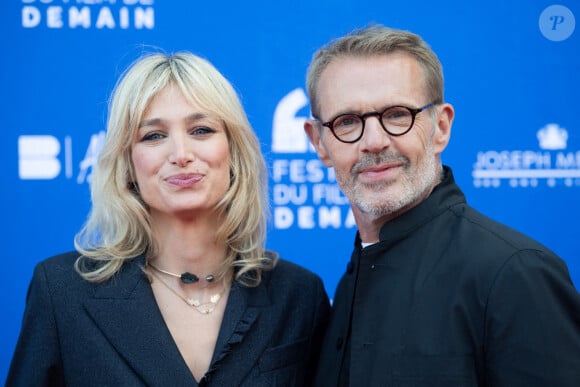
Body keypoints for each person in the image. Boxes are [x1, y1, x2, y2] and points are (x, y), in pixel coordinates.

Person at [7, 51, 330, 386]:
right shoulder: (62, 291)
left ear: (233, 152)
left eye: (201, 130)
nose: (181, 155)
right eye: (154, 136)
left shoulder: (298, 294)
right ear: (128, 163)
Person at [303, 25, 580, 386]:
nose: (373, 141)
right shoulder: (349, 282)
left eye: (397, 114)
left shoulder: (514, 273)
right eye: (348, 121)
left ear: (441, 127)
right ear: (319, 143)